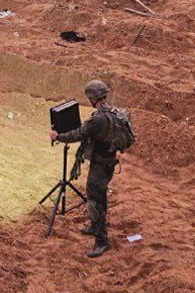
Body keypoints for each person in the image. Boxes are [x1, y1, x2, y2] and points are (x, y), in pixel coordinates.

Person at [50, 79, 131, 258]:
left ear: (92, 98)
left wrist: (58, 136)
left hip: (101, 164)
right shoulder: (111, 112)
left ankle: (101, 241)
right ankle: (96, 226)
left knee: (94, 199)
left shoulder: (99, 119)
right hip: (107, 162)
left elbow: (79, 134)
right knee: (99, 196)